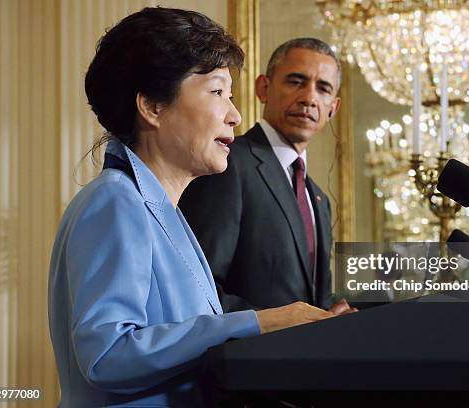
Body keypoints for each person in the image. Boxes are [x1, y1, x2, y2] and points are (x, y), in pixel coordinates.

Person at [47, 9, 334, 407]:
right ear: (152, 106)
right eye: (218, 92)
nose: (234, 115)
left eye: (230, 96)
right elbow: (107, 355)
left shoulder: (165, 212)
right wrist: (260, 322)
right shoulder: (116, 199)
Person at [180, 38, 355, 314]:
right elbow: (196, 286)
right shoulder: (228, 163)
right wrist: (274, 324)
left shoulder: (319, 198)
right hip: (244, 354)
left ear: (333, 107)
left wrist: (333, 313)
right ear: (263, 88)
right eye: (296, 81)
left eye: (323, 88)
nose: (309, 98)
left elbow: (310, 303)